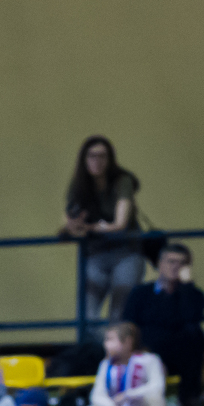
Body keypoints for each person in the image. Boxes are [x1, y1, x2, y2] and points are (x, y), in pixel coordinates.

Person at [60, 136, 143, 324]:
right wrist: (73, 225)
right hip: (95, 254)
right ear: (84, 159)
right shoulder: (79, 185)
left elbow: (120, 224)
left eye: (102, 156)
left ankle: (114, 342)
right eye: (92, 156)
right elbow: (68, 221)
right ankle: (103, 343)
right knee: (86, 316)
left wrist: (88, 227)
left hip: (126, 252)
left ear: (110, 159)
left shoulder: (122, 181)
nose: (97, 161)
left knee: (119, 315)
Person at [122, 242, 204, 406]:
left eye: (182, 263)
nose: (175, 267)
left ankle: (189, 399)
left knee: (194, 333)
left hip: (179, 351)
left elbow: (191, 317)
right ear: (160, 264)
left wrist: (186, 287)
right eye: (171, 261)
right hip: (148, 348)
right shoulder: (140, 293)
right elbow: (128, 324)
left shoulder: (194, 295)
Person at [79, 321, 168, 406]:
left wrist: (128, 395)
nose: (106, 345)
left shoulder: (149, 360)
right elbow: (97, 394)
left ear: (127, 341)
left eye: (110, 340)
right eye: (106, 340)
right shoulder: (105, 365)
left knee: (155, 399)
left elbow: (157, 386)